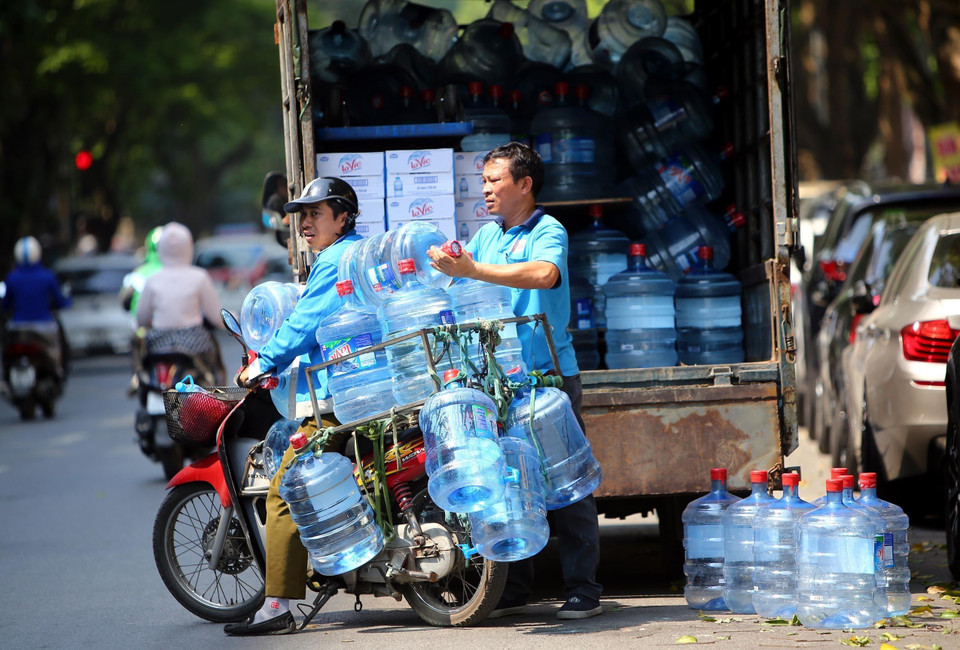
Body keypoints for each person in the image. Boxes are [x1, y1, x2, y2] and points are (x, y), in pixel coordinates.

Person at [427, 141, 603, 620]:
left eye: (494, 181)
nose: (485, 190)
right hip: (497, 381)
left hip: (547, 379)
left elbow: (544, 274)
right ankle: (515, 586)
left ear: (524, 184)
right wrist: (444, 268)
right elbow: (463, 285)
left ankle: (583, 588)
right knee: (508, 480)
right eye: (482, 181)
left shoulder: (547, 230)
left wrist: (474, 269)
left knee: (566, 483)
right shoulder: (488, 237)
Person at [224, 176, 363, 636]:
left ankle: (277, 605)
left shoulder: (335, 260)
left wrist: (260, 363)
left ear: (343, 217)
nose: (305, 223)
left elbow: (303, 326)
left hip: (338, 400)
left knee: (284, 492)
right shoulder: (358, 253)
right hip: (366, 389)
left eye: (316, 213)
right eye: (302, 215)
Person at [135, 222, 225, 384]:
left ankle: (138, 380)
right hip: (194, 342)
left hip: (158, 343)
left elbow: (141, 319)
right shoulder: (200, 276)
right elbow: (215, 317)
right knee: (213, 368)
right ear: (188, 248)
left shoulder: (152, 280)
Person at [2, 236, 71, 379]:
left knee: (6, 348)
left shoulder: (12, 278)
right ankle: (58, 369)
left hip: (18, 327)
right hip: (44, 326)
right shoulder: (47, 276)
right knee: (57, 348)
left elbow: (5, 305)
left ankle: (5, 375)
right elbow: (59, 301)